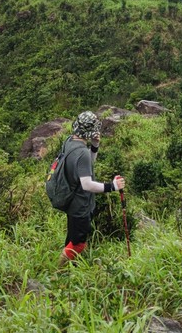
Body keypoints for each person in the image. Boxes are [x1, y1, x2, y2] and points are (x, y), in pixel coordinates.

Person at [58, 111, 125, 266]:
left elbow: (86, 166)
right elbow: (87, 184)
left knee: (72, 237)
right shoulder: (82, 153)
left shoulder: (70, 142)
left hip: (72, 201)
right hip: (80, 206)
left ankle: (69, 268)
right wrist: (113, 186)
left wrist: (94, 146)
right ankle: (58, 273)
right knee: (78, 244)